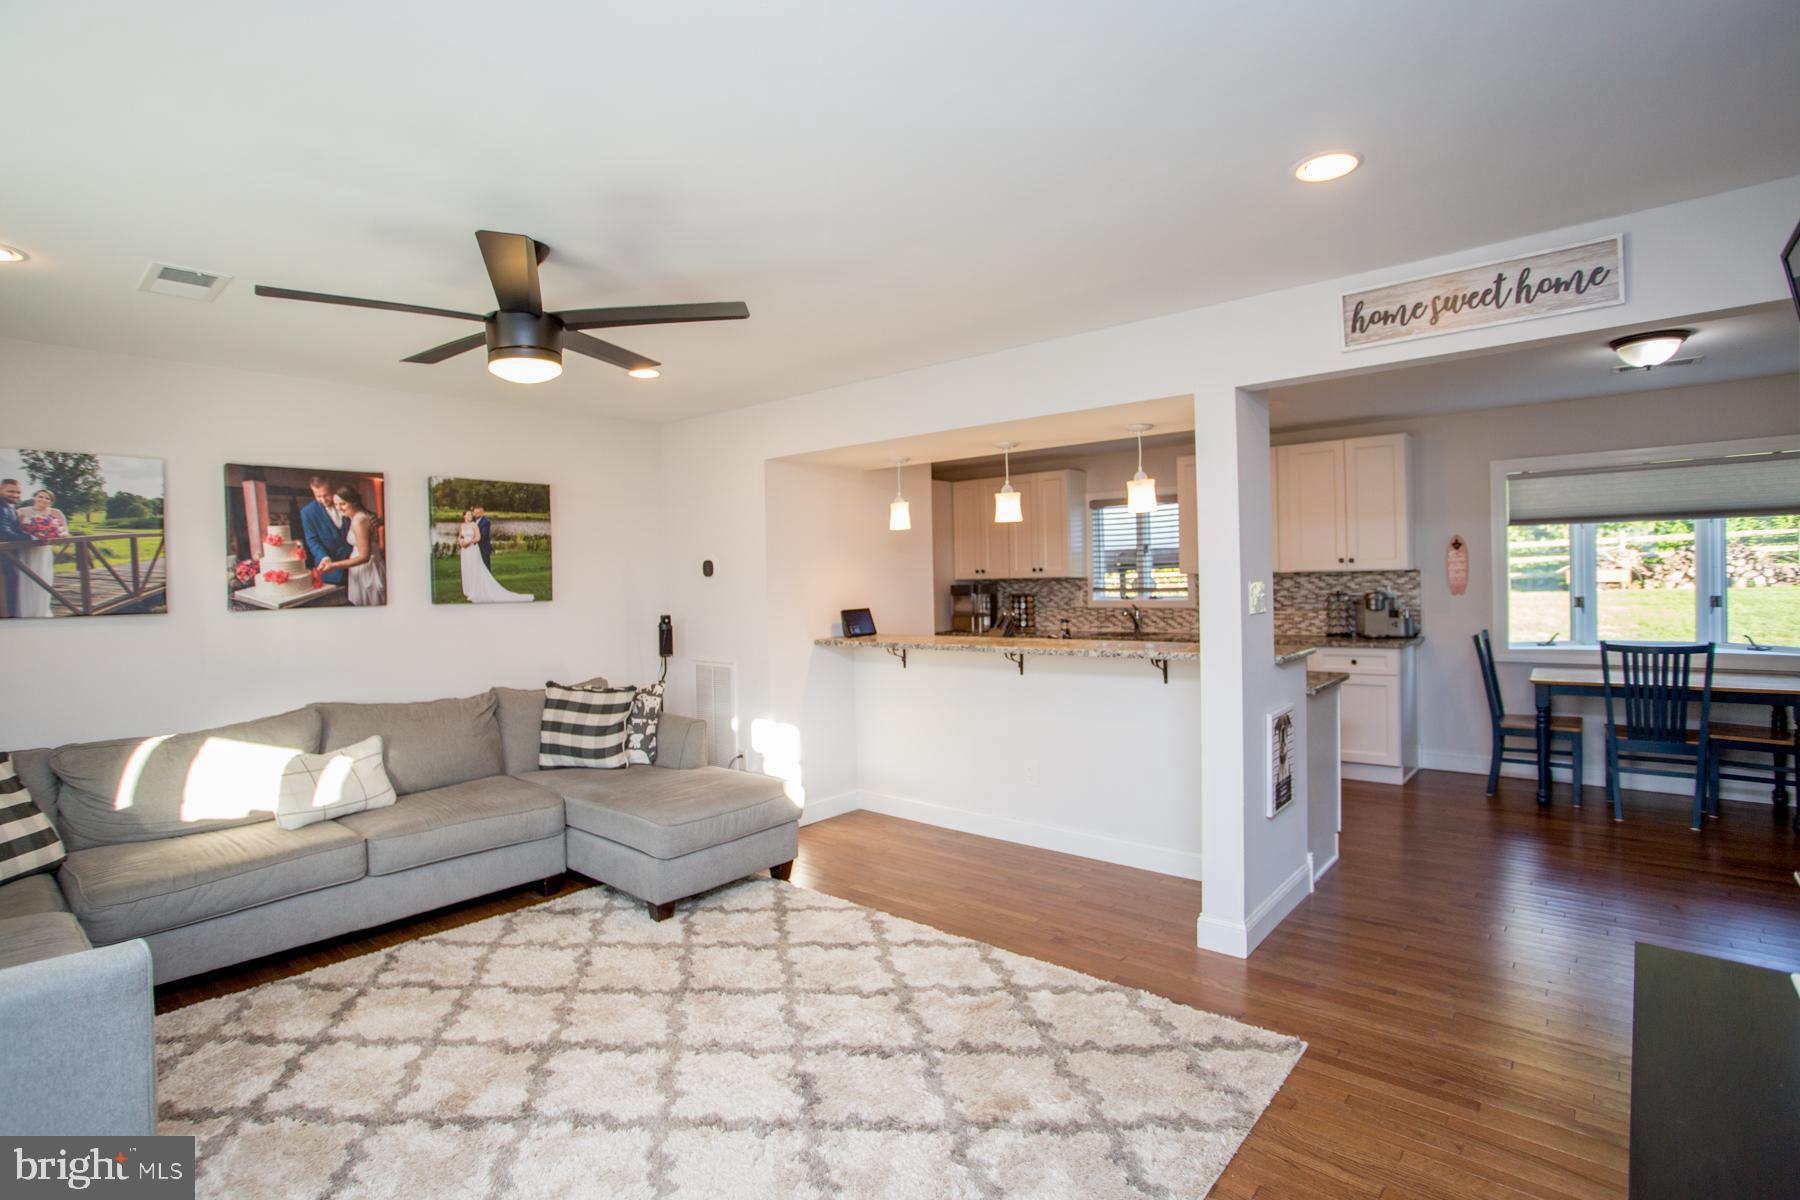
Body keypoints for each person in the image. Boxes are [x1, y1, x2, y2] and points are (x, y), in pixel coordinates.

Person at [317, 485, 386, 607]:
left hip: (366, 569)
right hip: (361, 568)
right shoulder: (356, 516)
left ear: (354, 502)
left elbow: (365, 556)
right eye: (336, 504)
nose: (338, 508)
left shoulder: (359, 520)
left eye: (342, 504)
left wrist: (334, 565)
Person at [457, 508, 532, 603]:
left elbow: (478, 537)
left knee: (474, 568)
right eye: (468, 515)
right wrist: (461, 542)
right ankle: (468, 590)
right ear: (464, 516)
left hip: (472, 549)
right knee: (467, 568)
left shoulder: (474, 525)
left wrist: (468, 543)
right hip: (464, 551)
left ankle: (475, 590)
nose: (470, 516)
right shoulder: (462, 525)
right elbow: (460, 536)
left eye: (470, 515)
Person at [15, 489, 68, 619]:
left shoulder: (55, 512)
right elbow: (16, 529)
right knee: (25, 579)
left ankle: (41, 609)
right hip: (27, 551)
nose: (43, 500)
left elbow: (65, 531)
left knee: (43, 578)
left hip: (43, 552)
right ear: (34, 497)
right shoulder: (22, 511)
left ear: (51, 501)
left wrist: (53, 533)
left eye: (47, 498)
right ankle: (25, 611)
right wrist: (32, 532)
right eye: (40, 496)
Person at [299, 475, 352, 587]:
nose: (323, 500)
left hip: (355, 566)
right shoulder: (308, 512)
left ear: (333, 489)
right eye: (318, 496)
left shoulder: (346, 503)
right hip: (330, 572)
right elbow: (312, 540)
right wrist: (325, 558)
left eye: (326, 495)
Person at [0, 478, 28, 618]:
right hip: (3, 556)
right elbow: (4, 532)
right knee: (7, 588)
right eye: (10, 491)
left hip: (9, 555)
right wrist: (29, 537)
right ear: (0, 490)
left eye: (18, 492)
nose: (15, 495)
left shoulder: (9, 507)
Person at [473, 505, 494, 570]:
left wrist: (471, 540)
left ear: (482, 513)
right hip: (475, 547)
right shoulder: (473, 521)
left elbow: (483, 535)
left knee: (485, 565)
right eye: (475, 513)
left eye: (477, 513)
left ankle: (487, 579)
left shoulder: (486, 522)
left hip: (483, 547)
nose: (475, 514)